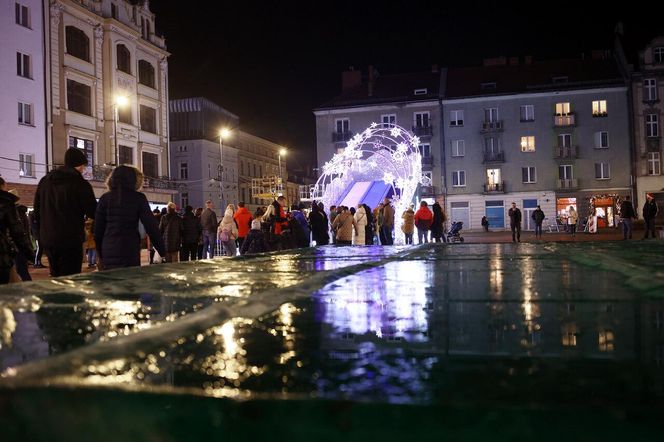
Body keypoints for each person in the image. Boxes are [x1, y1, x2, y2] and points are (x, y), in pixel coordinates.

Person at [33, 147, 97, 277]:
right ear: (78, 165)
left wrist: (41, 234)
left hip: (49, 238)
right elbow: (93, 211)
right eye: (83, 166)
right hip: (70, 239)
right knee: (70, 279)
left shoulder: (45, 181)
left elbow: (37, 211)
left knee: (56, 277)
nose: (83, 169)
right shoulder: (80, 183)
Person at [94, 165, 165, 270]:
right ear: (133, 180)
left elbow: (98, 229)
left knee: (111, 283)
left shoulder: (105, 198)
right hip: (129, 248)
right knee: (130, 282)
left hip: (108, 248)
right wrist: (162, 250)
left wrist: (100, 254)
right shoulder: (138, 198)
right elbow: (151, 226)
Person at [0, 178, 33, 284]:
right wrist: (29, 254)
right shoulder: (5, 201)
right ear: (3, 186)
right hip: (2, 256)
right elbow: (17, 232)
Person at [8, 189, 32, 281]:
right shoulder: (20, 212)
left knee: (20, 271)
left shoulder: (15, 212)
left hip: (16, 246)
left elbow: (18, 231)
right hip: (19, 246)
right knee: (20, 271)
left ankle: (29, 291)